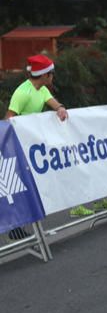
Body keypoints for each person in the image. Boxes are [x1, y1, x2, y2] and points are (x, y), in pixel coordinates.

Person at [4, 54, 68, 240]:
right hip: (18, 147)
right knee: (23, 188)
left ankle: (32, 230)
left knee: (33, 186)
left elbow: (53, 103)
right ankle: (16, 229)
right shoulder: (22, 93)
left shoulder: (41, 89)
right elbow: (8, 119)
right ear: (45, 75)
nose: (53, 76)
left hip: (31, 147)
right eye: (52, 73)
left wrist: (61, 108)